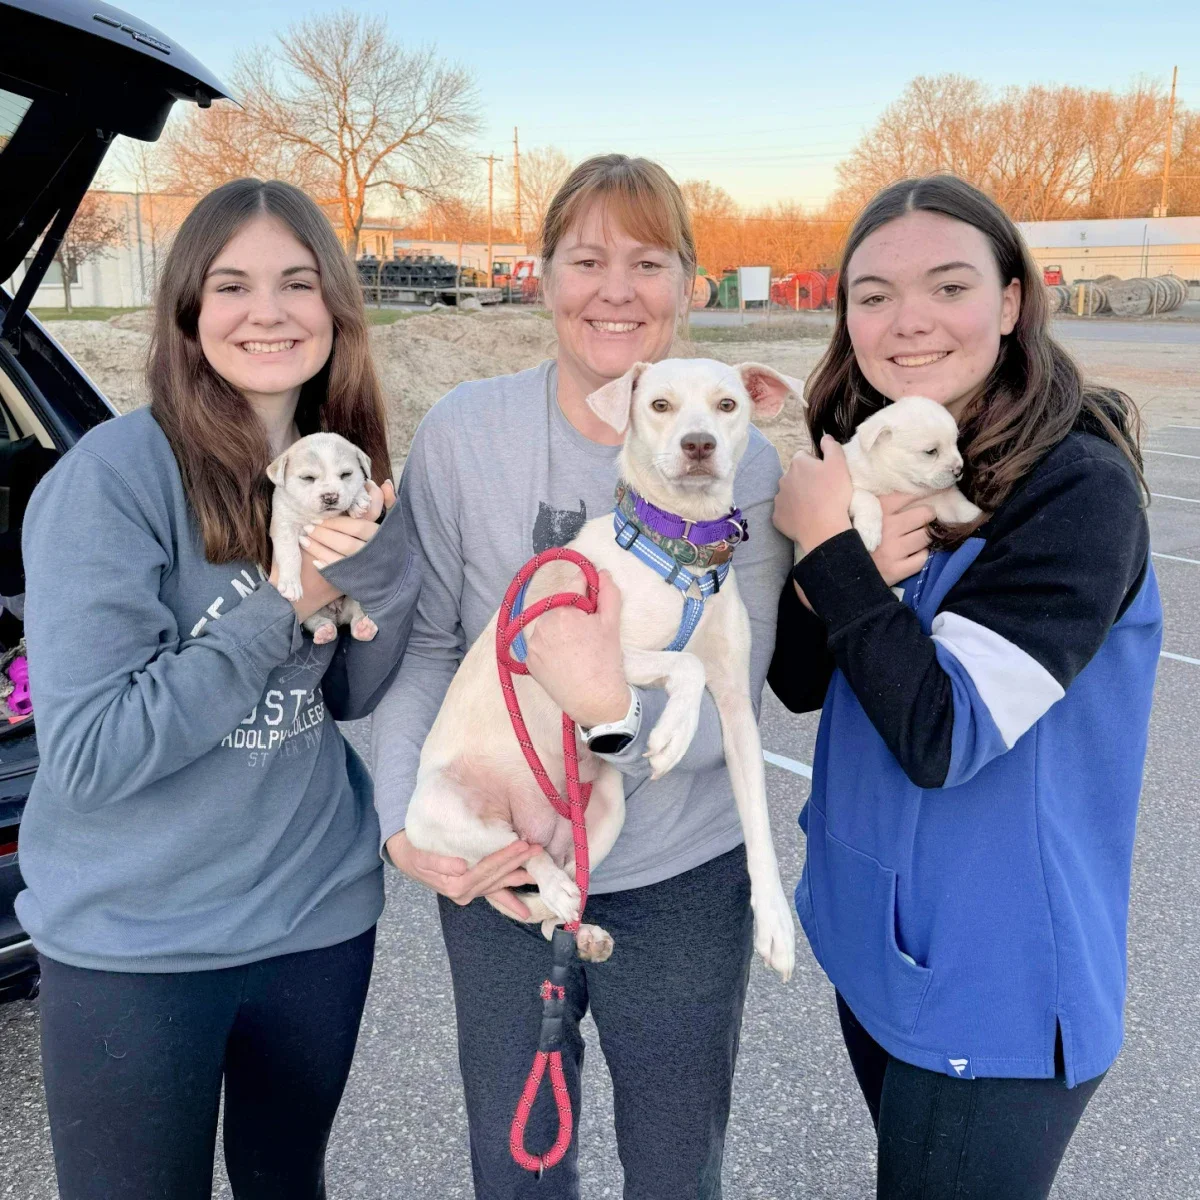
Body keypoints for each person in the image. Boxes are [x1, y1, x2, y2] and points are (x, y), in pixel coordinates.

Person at [373, 153, 922, 1199]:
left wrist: (611, 714)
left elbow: (734, 682)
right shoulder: (464, 435)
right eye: (586, 259)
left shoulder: (746, 461)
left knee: (676, 1170)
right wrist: (408, 826)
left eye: (649, 261)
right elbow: (432, 650)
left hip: (682, 873)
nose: (615, 289)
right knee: (519, 1163)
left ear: (692, 284)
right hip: (504, 870)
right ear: (542, 277)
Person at [20, 178, 421, 1200]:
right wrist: (284, 601)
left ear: (335, 305)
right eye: (233, 284)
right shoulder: (112, 481)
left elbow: (353, 694)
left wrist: (380, 570)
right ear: (191, 312)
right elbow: (92, 755)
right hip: (138, 945)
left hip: (316, 919)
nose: (270, 311)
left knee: (287, 1183)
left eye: (298, 281)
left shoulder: (339, 470)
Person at [768, 174, 1162, 1199]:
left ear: (1012, 300)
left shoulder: (1076, 491)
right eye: (873, 295)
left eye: (948, 286)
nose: (907, 323)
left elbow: (943, 736)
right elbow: (800, 683)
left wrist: (830, 555)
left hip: (994, 988)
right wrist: (825, 572)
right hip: (886, 946)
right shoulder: (864, 446)